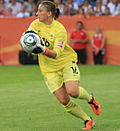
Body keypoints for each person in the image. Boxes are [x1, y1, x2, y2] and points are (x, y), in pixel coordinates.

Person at [21, 1, 101, 130]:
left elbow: (56, 54)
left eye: (40, 11)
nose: (36, 14)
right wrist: (26, 43)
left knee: (73, 92)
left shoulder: (59, 30)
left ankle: (90, 99)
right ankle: (87, 119)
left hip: (65, 62)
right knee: (64, 100)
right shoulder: (35, 24)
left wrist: (42, 50)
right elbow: (27, 38)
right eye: (37, 11)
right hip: (48, 70)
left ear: (49, 13)